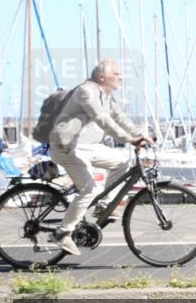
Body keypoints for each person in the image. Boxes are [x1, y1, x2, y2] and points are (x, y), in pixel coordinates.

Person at [47, 59, 152, 255]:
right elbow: (102, 119)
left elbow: (119, 117)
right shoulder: (86, 91)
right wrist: (129, 139)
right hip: (66, 147)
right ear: (102, 77)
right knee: (90, 189)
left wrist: (139, 135)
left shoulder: (105, 96)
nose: (120, 76)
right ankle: (62, 233)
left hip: (86, 147)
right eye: (116, 74)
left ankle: (104, 206)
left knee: (123, 162)